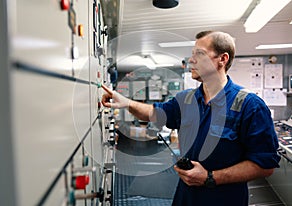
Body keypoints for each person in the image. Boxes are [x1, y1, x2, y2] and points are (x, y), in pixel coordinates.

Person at [101, 31, 280, 206]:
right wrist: (125, 102)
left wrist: (210, 177)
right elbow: (154, 113)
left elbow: (265, 165)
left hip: (223, 199)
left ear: (222, 59)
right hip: (185, 196)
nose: (191, 60)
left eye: (199, 54)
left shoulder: (250, 105)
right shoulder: (186, 100)